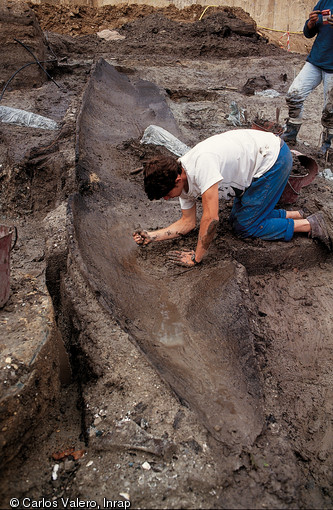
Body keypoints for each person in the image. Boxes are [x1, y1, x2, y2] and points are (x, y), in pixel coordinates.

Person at [132, 129, 331, 267]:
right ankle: (295, 214)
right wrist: (153, 236)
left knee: (245, 227)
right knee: (237, 219)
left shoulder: (202, 166)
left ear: (177, 179)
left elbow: (211, 219)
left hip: (273, 159)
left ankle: (311, 224)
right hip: (255, 163)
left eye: (166, 195)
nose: (167, 199)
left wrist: (196, 258)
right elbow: (188, 223)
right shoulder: (179, 176)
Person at [281, 2, 333, 155]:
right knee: (294, 95)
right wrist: (310, 23)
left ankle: (327, 146)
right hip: (316, 60)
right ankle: (290, 134)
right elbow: (308, 33)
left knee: (330, 110)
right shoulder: (325, 1)